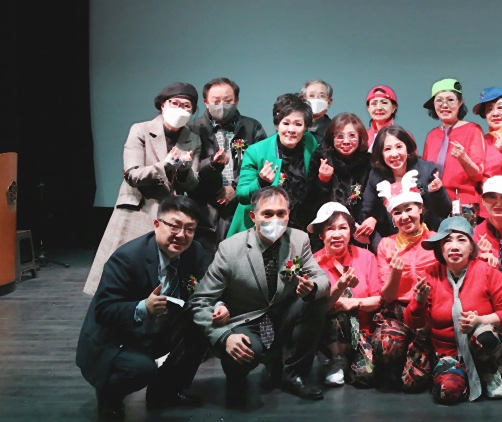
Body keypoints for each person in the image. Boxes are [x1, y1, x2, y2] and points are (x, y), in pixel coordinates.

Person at [189, 186, 330, 404]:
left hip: (282, 317)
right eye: (267, 214)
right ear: (253, 216)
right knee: (242, 353)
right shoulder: (230, 248)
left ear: (289, 214)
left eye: (281, 213)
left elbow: (322, 279)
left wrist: (312, 288)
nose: (275, 220)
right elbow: (200, 301)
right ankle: (236, 376)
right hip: (247, 320)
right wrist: (224, 336)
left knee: (316, 300)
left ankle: (294, 374)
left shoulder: (299, 239)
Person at [77, 196, 213, 420]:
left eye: (189, 229)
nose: (181, 235)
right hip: (119, 337)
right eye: (175, 226)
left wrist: (217, 306)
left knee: (202, 328)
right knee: (141, 369)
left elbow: (202, 289)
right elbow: (103, 310)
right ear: (157, 224)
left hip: (161, 327)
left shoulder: (194, 251)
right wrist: (143, 307)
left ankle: (164, 392)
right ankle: (109, 397)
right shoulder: (128, 258)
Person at [85, 82, 201, 295]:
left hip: (168, 212)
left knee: (161, 275)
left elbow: (193, 184)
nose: (180, 109)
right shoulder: (141, 130)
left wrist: (185, 171)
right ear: (163, 105)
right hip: (138, 208)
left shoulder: (192, 139)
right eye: (174, 103)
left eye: (186, 106)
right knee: (126, 268)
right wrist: (164, 166)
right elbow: (133, 174)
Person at [408, 216, 502, 403]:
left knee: (484, 334)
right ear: (440, 249)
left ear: (471, 247)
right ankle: (463, 376)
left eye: (461, 240)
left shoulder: (487, 272)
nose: (454, 246)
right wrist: (419, 302)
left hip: (480, 346)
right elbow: (413, 322)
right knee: (446, 392)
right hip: (448, 351)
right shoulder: (431, 274)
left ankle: (488, 371)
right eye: (447, 241)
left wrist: (480, 320)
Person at [188, 77, 268, 252]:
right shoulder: (193, 129)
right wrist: (212, 163)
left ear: (236, 101)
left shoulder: (252, 127)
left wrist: (235, 187)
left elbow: (262, 163)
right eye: (216, 101)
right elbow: (189, 170)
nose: (222, 105)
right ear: (206, 102)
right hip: (204, 208)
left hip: (241, 205)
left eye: (227, 100)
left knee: (240, 255)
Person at [371, 181, 435, 392]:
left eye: (409, 209)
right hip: (398, 313)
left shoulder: (436, 240)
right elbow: (388, 296)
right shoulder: (386, 244)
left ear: (420, 208)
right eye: (397, 212)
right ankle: (397, 363)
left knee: (413, 384)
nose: (404, 216)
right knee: (387, 345)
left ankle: (424, 354)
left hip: (429, 312)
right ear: (392, 218)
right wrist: (396, 273)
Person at [227, 93, 322, 235]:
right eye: (286, 123)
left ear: (305, 128)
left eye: (298, 124)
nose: (291, 130)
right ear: (277, 125)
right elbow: (242, 195)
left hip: (299, 223)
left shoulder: (309, 142)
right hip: (263, 226)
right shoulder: (256, 151)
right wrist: (260, 182)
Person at [309, 202, 381, 387]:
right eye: (330, 229)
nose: (337, 234)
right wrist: (339, 291)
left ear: (350, 232)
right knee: (337, 311)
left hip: (363, 332)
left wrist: (354, 303)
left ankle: (353, 359)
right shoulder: (313, 262)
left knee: (365, 377)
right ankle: (336, 359)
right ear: (321, 234)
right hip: (327, 333)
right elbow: (316, 309)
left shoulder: (366, 257)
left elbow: (378, 299)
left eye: (343, 228)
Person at [358, 125, 450, 240]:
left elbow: (444, 211)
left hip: (428, 239)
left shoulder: (427, 169)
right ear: (381, 153)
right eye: (387, 149)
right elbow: (368, 210)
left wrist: (437, 191)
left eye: (399, 147)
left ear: (407, 148)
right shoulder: (376, 175)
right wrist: (374, 219)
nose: (394, 154)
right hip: (393, 241)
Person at [421, 78, 485, 218]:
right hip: (435, 202)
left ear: (460, 102)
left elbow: (478, 174)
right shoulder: (432, 135)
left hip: (463, 203)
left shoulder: (472, 130)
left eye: (450, 100)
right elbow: (425, 172)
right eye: (439, 100)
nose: (444, 105)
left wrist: (463, 158)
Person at [313, 112, 371, 238]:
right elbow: (311, 203)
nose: (346, 141)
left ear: (360, 137)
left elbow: (373, 199)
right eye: (340, 136)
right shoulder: (320, 158)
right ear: (331, 138)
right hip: (328, 231)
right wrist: (323, 181)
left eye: (352, 136)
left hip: (360, 229)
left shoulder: (369, 162)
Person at [301, 79, 333, 144]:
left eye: (322, 96)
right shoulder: (294, 126)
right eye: (312, 96)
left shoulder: (333, 130)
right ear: (303, 100)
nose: (316, 99)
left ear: (329, 102)